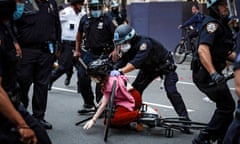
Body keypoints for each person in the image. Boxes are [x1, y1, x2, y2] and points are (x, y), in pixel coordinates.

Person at [110, 24, 191, 133]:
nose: (121, 46)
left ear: (130, 38)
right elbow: (123, 61)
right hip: (148, 69)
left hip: (164, 67)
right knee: (134, 93)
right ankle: (129, 118)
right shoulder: (129, 47)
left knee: (171, 91)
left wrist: (120, 71)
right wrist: (111, 69)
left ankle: (185, 120)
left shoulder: (144, 43)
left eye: (123, 42)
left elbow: (135, 62)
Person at [0, 0, 52, 143]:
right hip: (6, 109)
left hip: (13, 104)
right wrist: (21, 124)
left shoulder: (7, 27)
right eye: (18, 2)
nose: (20, 6)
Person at [190, 0, 237, 143]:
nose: (226, 8)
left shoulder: (222, 25)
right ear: (215, 7)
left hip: (211, 72)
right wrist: (213, 74)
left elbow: (226, 52)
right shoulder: (212, 25)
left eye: (227, 4)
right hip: (205, 74)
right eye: (223, 5)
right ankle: (203, 137)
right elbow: (203, 49)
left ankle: (222, 137)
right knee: (227, 106)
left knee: (226, 107)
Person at [14, 0, 61, 129]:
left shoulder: (51, 3)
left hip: (46, 51)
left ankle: (39, 117)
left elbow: (57, 25)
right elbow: (12, 24)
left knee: (42, 85)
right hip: (26, 50)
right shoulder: (24, 3)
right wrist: (14, 43)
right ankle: (20, 116)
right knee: (23, 82)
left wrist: (58, 46)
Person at [74, 0, 116, 114]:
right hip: (88, 53)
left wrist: (115, 51)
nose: (95, 10)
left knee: (101, 80)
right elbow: (78, 35)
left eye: (97, 7)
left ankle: (101, 104)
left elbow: (116, 36)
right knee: (82, 78)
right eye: (93, 8)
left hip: (104, 53)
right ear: (89, 8)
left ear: (102, 8)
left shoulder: (108, 19)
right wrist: (77, 50)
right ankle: (88, 104)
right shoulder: (84, 19)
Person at [82, 58, 143, 130]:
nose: (93, 79)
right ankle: (129, 122)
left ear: (101, 75)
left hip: (132, 99)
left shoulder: (110, 83)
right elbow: (105, 97)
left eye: (94, 77)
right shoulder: (109, 76)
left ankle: (139, 115)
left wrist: (93, 120)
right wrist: (99, 104)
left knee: (112, 120)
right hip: (124, 99)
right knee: (107, 122)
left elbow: (104, 104)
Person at [48, 0, 85, 91]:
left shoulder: (82, 14)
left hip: (79, 44)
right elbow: (55, 22)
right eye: (80, 4)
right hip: (67, 44)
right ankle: (50, 80)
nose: (81, 6)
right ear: (74, 4)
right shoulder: (66, 12)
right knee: (63, 67)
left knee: (82, 67)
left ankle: (81, 86)